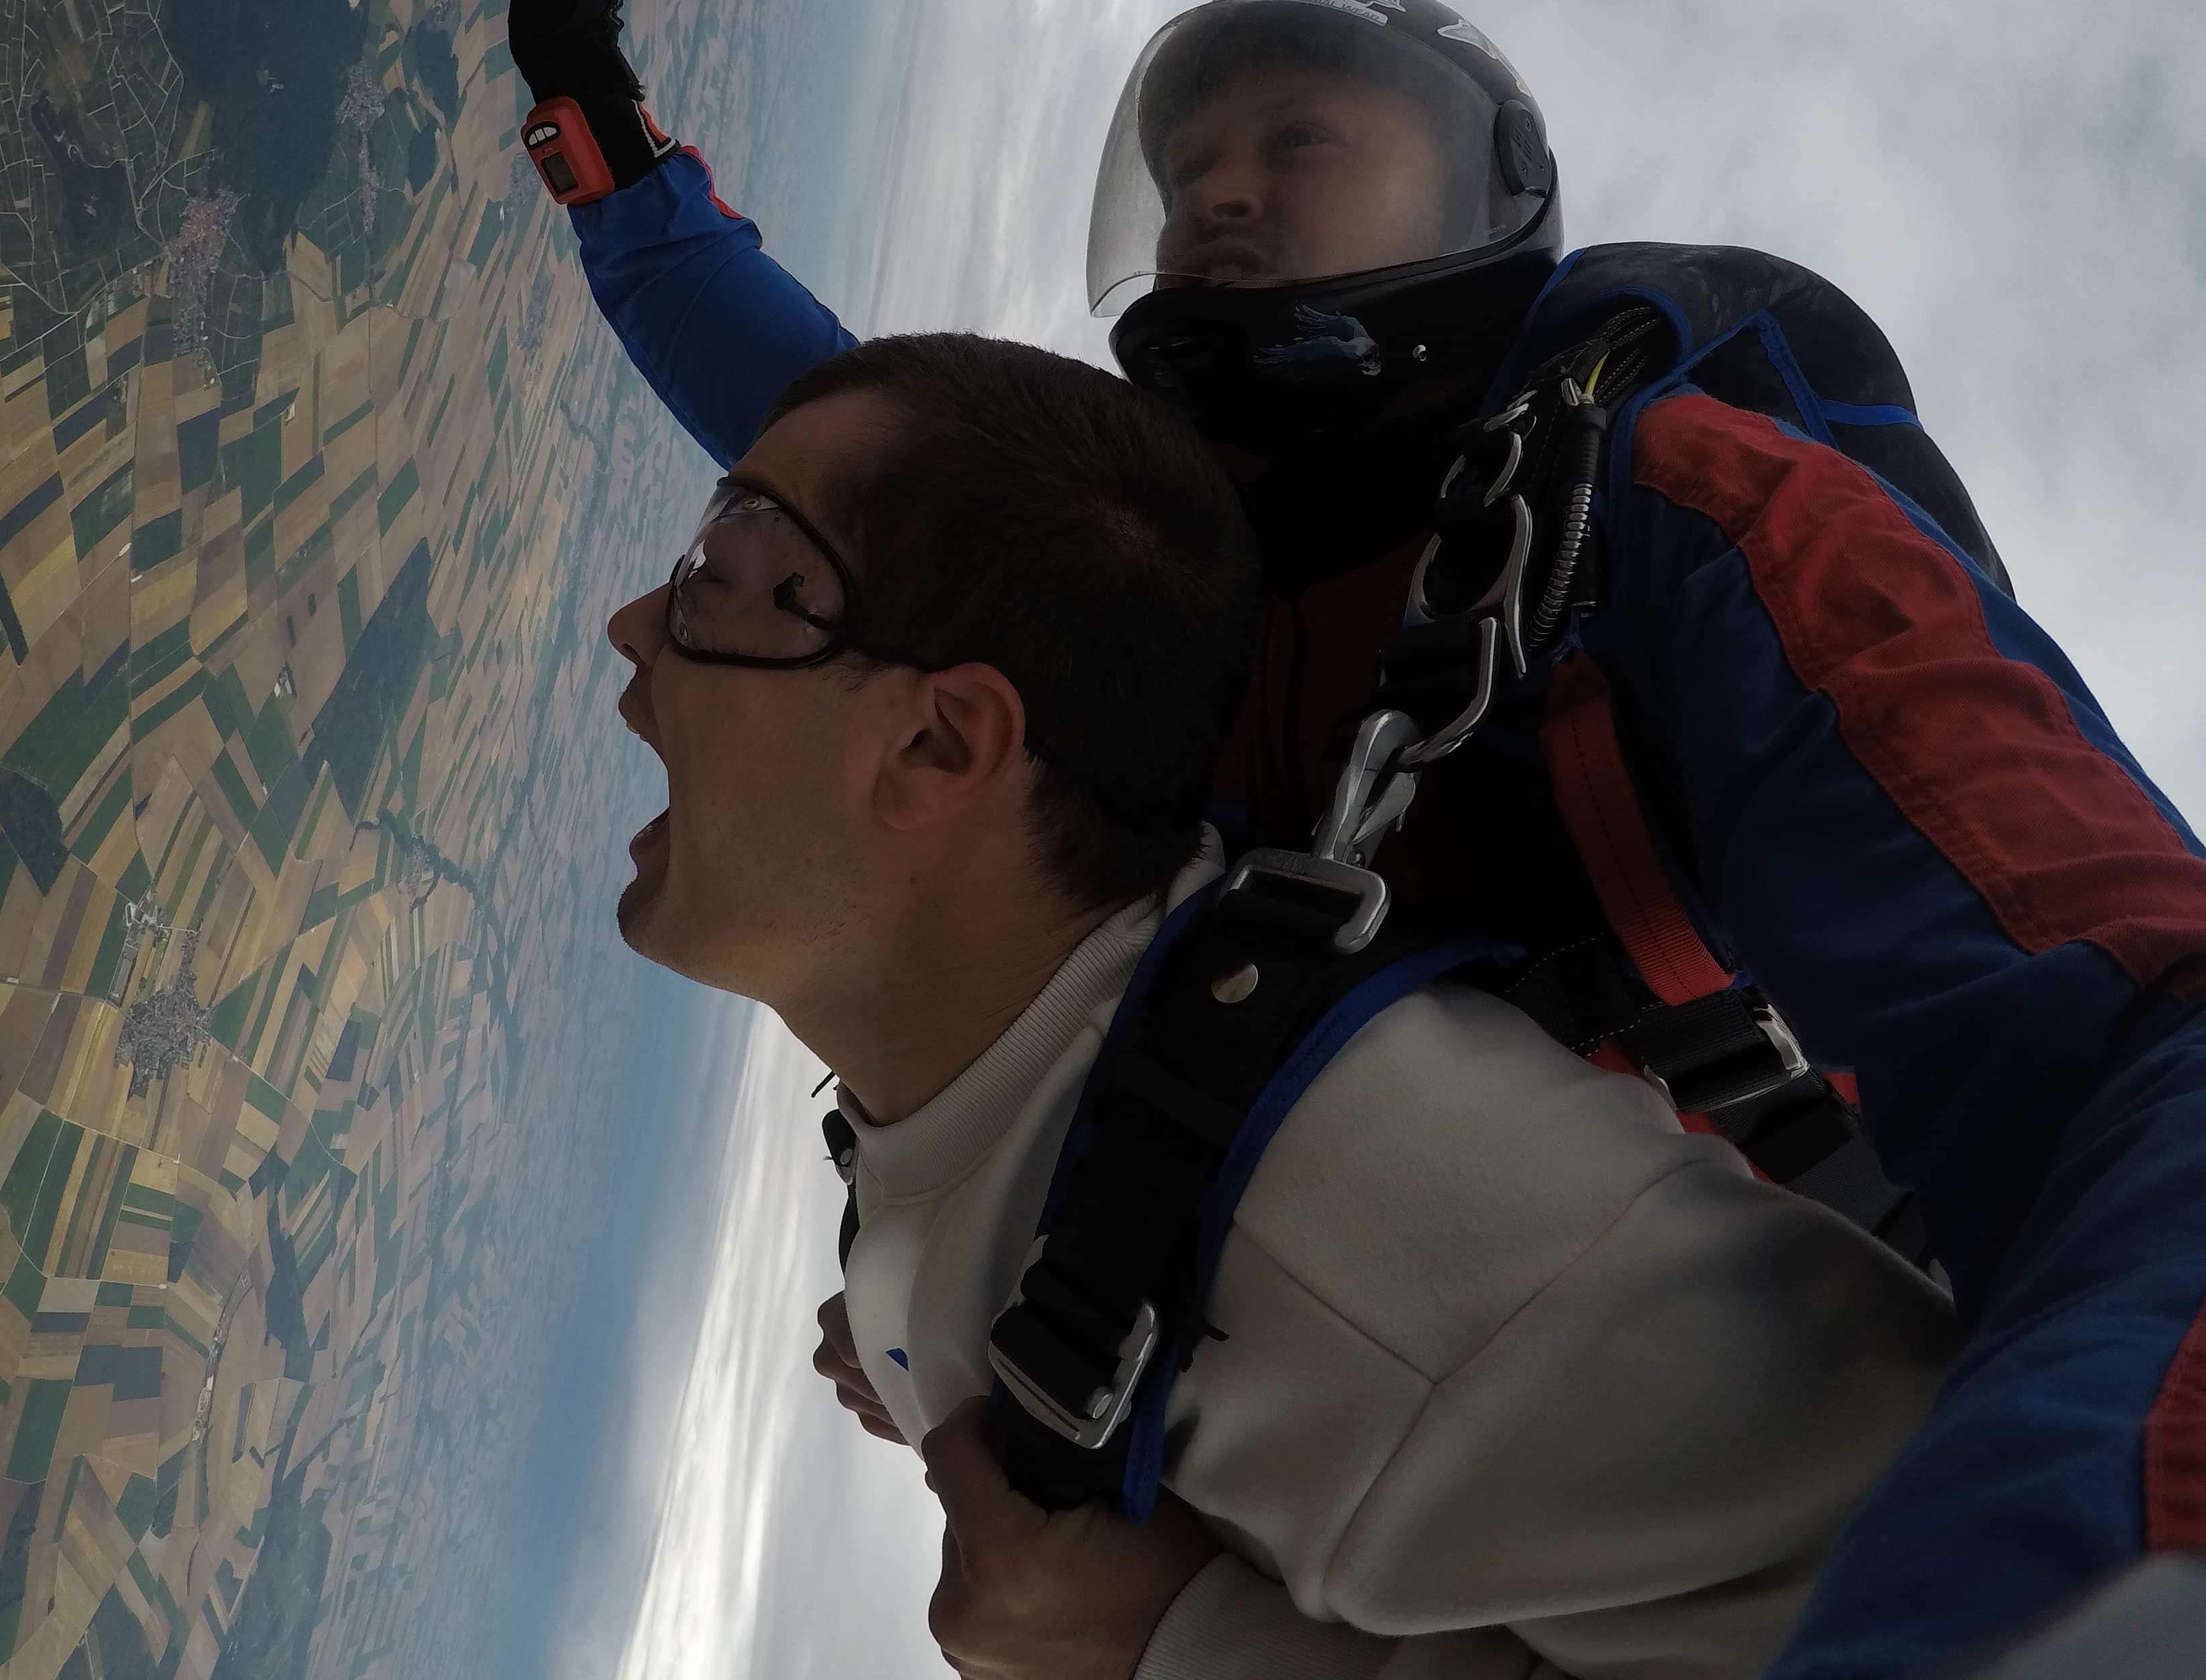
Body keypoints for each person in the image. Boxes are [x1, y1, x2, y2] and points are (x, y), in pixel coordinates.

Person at [517, 0, 2206, 1679]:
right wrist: (585, 103)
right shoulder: (1175, 576)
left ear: (1479, 194)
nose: (1220, 197)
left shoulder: (1686, 521)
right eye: (1186, 170)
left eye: (1300, 140)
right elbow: (830, 464)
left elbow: (2138, 1036)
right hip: (1407, 1360)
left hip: (1784, 1321)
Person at [605, 329, 1954, 1679]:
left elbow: (2005, 1613)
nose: (634, 629)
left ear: (936, 741)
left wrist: (1181, 1648)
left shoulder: (1398, 1225)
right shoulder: (1018, 1105)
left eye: (722, 576)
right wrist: (923, 1343)